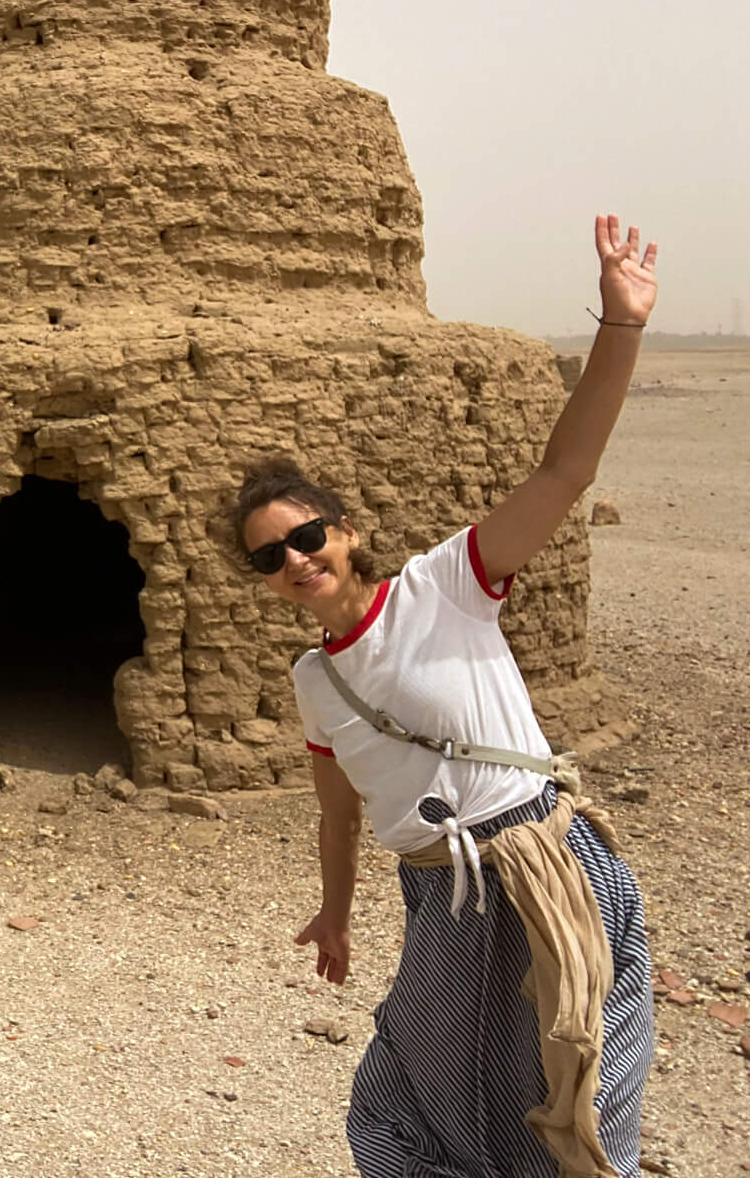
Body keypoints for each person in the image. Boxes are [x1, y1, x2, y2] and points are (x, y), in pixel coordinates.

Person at [225, 216, 659, 1178]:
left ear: (345, 531)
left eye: (306, 538)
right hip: (438, 900)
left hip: (543, 866)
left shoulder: (446, 586)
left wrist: (619, 328)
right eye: (270, 556)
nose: (295, 562)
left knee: (575, 1097)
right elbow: (337, 812)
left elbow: (563, 472)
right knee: (411, 1106)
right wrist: (335, 913)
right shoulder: (314, 678)